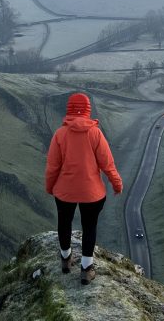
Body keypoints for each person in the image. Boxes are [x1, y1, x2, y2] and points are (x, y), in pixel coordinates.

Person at [45, 91, 123, 285]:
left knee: (64, 223)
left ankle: (65, 260)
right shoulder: (95, 133)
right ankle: (87, 270)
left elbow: (52, 166)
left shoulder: (60, 134)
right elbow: (107, 163)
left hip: (65, 190)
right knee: (90, 227)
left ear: (68, 109)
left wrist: (50, 187)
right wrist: (116, 183)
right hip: (92, 192)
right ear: (88, 110)